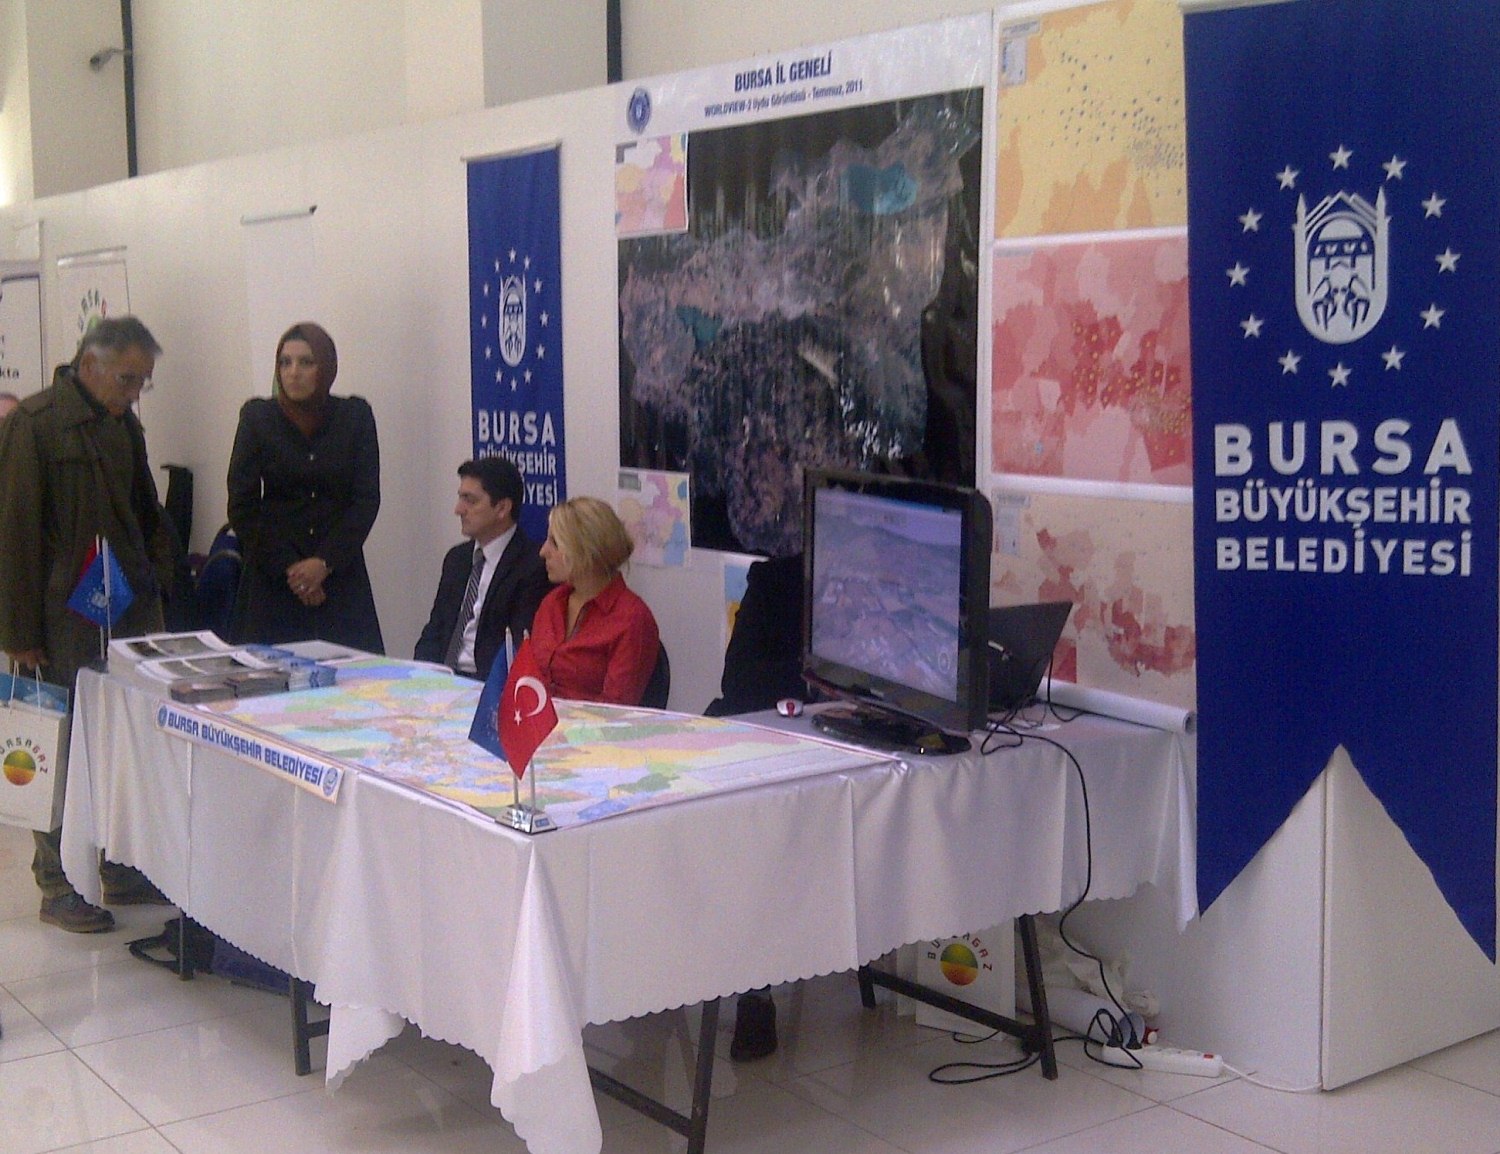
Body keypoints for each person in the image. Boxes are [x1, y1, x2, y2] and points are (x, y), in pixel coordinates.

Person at [0, 317, 177, 932]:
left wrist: (160, 575)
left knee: (116, 743)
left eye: (143, 381)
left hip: (123, 612)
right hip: (58, 621)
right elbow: (14, 532)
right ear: (90, 364)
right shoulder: (34, 424)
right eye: (128, 378)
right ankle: (56, 882)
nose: (135, 391)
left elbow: (144, 511)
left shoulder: (123, 424)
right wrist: (19, 632)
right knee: (55, 747)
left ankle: (116, 865)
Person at [227, 322, 384, 652]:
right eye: (285, 362)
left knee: (354, 676)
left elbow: (365, 500)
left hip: (339, 576)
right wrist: (293, 571)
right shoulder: (258, 418)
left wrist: (323, 563)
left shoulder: (355, 417)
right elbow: (242, 505)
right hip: (272, 578)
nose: (293, 372)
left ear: (325, 367)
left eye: (306, 362)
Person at [414, 457, 551, 679]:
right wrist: (421, 673)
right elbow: (435, 629)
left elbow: (515, 649)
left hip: (486, 683)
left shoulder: (532, 567)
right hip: (441, 678)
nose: (459, 510)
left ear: (502, 508)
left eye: (470, 501)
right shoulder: (457, 559)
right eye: (460, 498)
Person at [531, 496, 660, 705]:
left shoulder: (632, 619)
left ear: (586, 551)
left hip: (590, 724)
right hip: (539, 718)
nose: (543, 551)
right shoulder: (552, 603)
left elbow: (616, 708)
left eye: (555, 543)